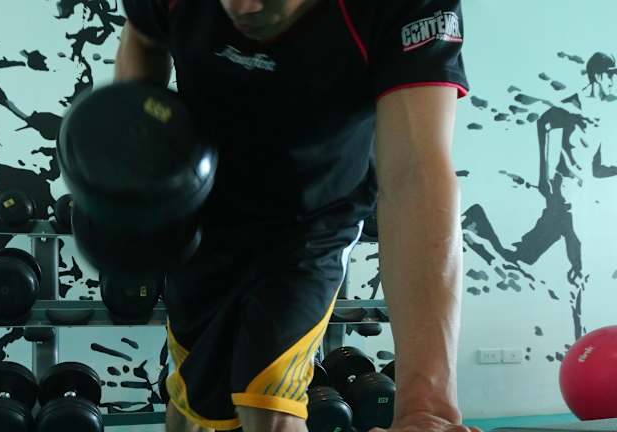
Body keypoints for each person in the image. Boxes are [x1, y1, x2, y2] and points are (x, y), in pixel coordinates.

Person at [115, 0, 476, 431]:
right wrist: (137, 164)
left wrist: (426, 408)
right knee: (194, 405)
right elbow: (144, 36)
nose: (245, 5)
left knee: (267, 404)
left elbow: (413, 177)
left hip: (313, 220)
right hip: (206, 212)